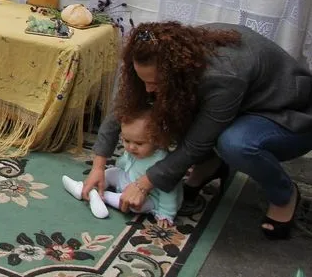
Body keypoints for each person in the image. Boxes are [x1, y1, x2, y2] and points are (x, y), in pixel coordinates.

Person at [85, 22, 312, 240]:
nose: (148, 88)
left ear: (177, 70)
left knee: (235, 143)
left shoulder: (224, 76)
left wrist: (143, 184)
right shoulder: (169, 54)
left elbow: (197, 142)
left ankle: (284, 194)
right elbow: (123, 106)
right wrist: (98, 166)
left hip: (290, 117)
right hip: (240, 105)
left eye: (154, 82)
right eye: (143, 80)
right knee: (170, 104)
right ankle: (209, 164)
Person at [62, 108, 182, 226]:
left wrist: (166, 213)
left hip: (152, 196)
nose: (131, 147)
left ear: (158, 140)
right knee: (111, 172)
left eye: (139, 143)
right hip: (130, 178)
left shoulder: (162, 161)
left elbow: (169, 191)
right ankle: (89, 188)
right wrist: (119, 165)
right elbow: (126, 162)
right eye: (126, 141)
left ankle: (99, 195)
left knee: (134, 205)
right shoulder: (136, 149)